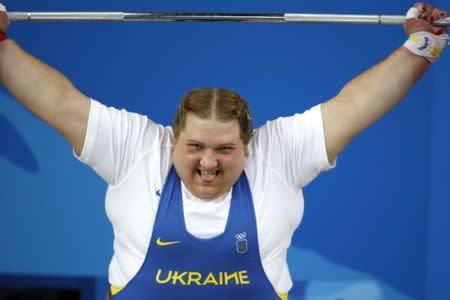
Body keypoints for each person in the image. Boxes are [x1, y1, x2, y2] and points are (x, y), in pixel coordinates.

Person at [0, 2, 447, 299]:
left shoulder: (279, 154)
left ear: (248, 145)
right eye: (195, 146)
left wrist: (422, 45)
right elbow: (58, 102)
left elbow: (355, 106)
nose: (209, 163)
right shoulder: (135, 147)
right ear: (172, 138)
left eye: (225, 149)